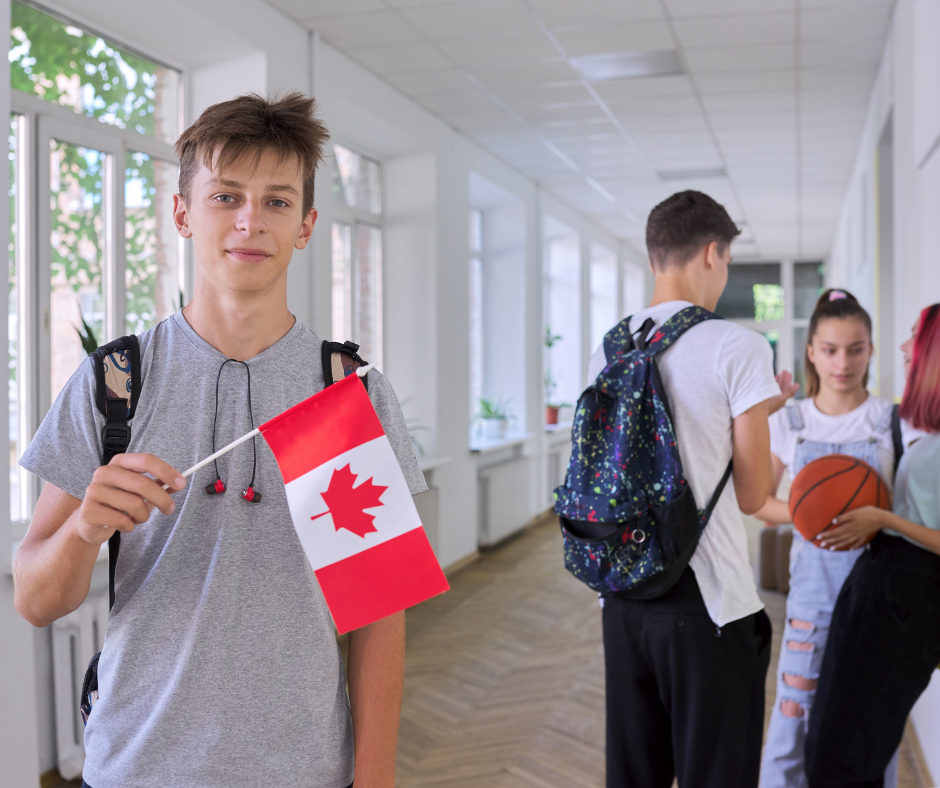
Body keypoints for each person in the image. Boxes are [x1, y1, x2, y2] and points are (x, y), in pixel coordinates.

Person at [12, 93, 422, 788]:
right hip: (135, 766)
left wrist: (375, 778)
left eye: (277, 201)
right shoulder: (116, 382)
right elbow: (36, 601)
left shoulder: (340, 391)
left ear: (306, 225)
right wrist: (84, 527)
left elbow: (378, 615)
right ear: (182, 213)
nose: (249, 221)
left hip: (303, 771)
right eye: (226, 195)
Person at [584, 190, 792, 788]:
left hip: (622, 598)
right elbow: (754, 494)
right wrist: (766, 417)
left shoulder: (610, 346)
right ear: (712, 252)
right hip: (709, 606)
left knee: (636, 775)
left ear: (654, 258)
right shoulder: (740, 347)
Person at [755, 289, 900, 788]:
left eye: (856, 349)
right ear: (811, 352)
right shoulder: (789, 420)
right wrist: (810, 517)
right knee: (793, 713)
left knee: (870, 723)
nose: (844, 362)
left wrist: (875, 519)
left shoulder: (891, 422)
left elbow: (903, 512)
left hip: (878, 595)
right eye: (831, 349)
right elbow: (756, 500)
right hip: (811, 596)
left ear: (871, 351)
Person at [804, 303, 940, 788]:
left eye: (913, 337)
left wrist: (882, 517)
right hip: (883, 581)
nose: (904, 347)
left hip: (908, 591)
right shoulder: (924, 427)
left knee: (850, 754)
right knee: (829, 741)